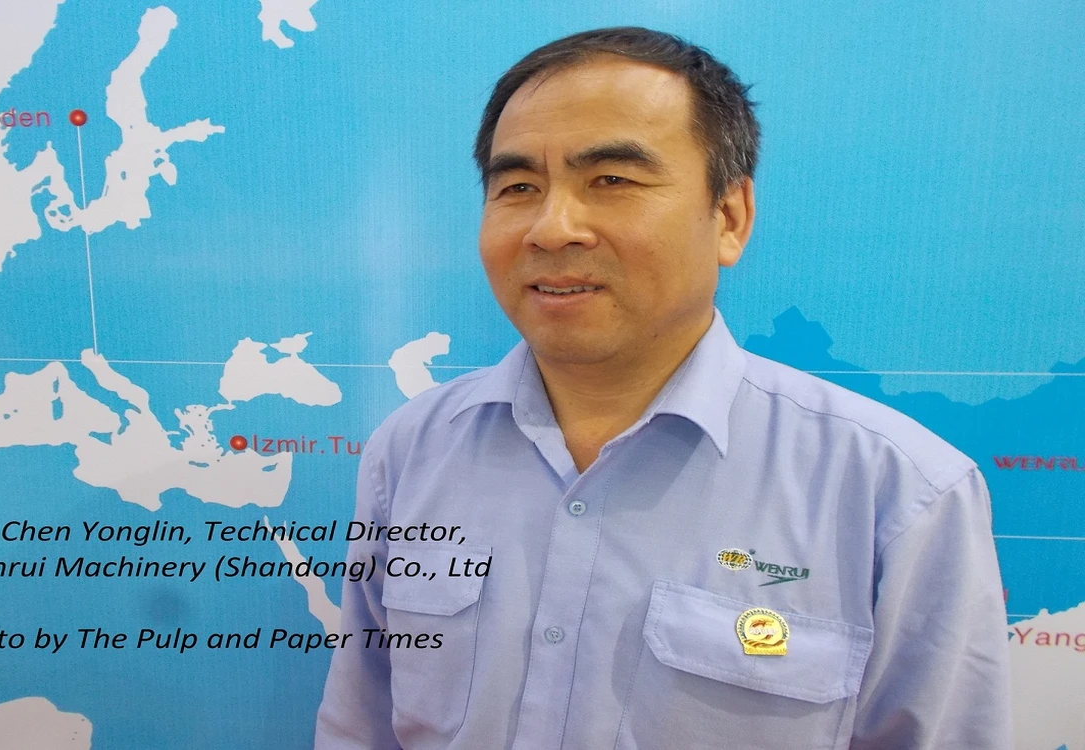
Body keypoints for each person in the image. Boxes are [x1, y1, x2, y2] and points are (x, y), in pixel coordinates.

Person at [314, 27, 1011, 750]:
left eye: (612, 180)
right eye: (518, 187)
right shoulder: (413, 449)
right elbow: (360, 724)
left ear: (730, 217)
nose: (552, 228)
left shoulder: (897, 494)